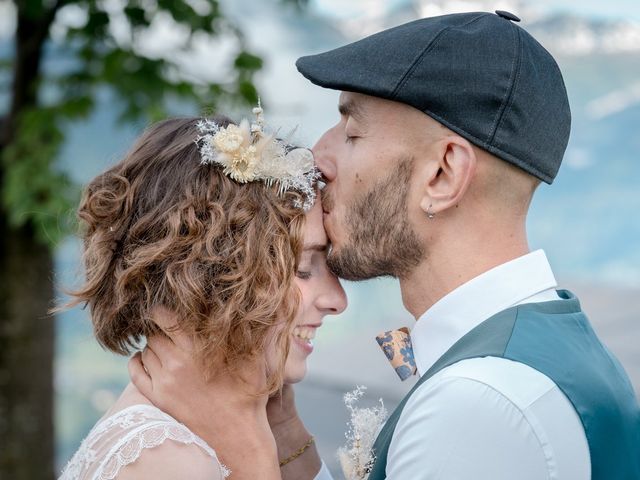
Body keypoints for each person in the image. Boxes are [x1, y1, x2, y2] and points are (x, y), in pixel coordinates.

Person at [131, 10, 640, 480]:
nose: (318, 157)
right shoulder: (543, 354)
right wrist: (286, 434)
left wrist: (245, 453)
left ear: (442, 174)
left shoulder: (479, 406)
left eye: (352, 132)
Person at [58, 112, 347, 479]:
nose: (337, 299)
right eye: (304, 268)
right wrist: (252, 456)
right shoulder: (168, 459)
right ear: (210, 280)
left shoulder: (199, 441)